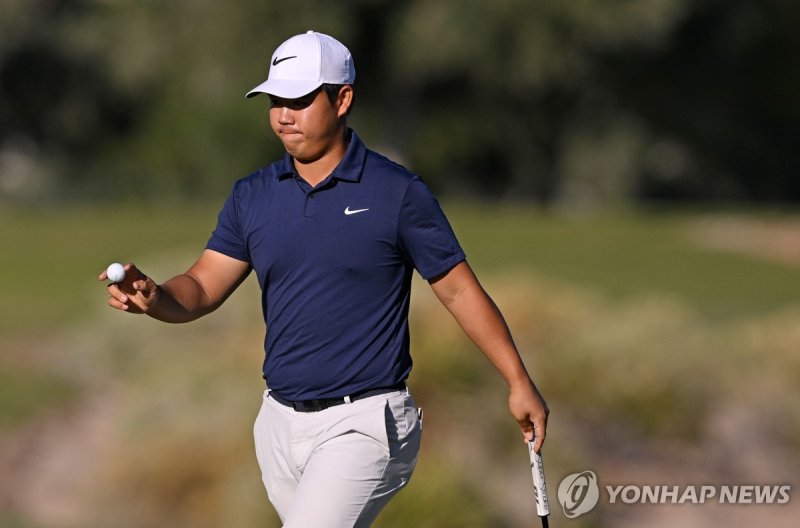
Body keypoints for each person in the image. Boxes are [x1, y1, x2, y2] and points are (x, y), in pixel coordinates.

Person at [100, 30, 549, 527]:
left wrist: (517, 380)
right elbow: (202, 287)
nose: (283, 115)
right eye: (275, 101)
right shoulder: (253, 195)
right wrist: (155, 295)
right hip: (278, 425)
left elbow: (459, 289)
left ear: (342, 99)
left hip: (366, 424)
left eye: (298, 99)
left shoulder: (397, 193)